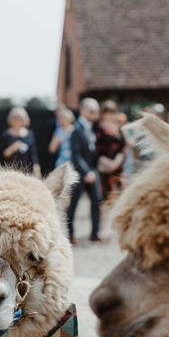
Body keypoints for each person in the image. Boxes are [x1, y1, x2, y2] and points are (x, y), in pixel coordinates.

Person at [66, 98, 102, 245]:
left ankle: (95, 234)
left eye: (96, 110)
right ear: (82, 110)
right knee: (73, 205)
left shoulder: (92, 128)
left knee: (96, 202)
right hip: (79, 174)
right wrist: (86, 172)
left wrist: (94, 171)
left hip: (93, 173)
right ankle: (70, 235)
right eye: (92, 110)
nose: (95, 113)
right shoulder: (76, 129)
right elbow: (76, 155)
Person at [95, 100, 127, 202]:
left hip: (118, 168)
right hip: (104, 168)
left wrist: (116, 162)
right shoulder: (97, 129)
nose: (109, 115)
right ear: (102, 113)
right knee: (105, 200)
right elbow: (96, 149)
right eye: (107, 112)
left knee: (120, 198)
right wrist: (109, 164)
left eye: (112, 112)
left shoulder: (119, 129)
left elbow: (123, 146)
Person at [1, 107, 40, 177]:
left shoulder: (29, 134)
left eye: (20, 119)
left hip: (27, 172)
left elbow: (34, 156)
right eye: (15, 118)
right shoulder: (6, 134)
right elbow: (2, 154)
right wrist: (14, 147)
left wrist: (37, 173)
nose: (18, 121)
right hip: (10, 172)